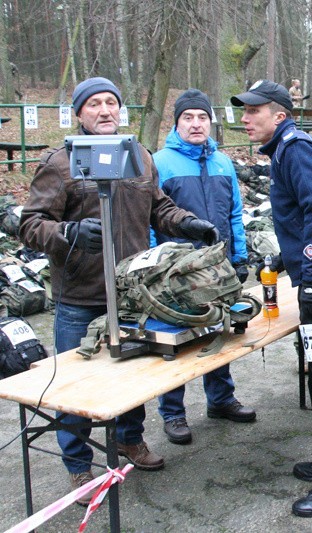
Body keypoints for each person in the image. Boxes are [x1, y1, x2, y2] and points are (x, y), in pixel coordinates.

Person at [19, 77, 218, 505]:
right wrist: (69, 233)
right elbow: (30, 223)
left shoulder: (140, 156)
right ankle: (78, 464)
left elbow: (158, 207)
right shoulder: (61, 163)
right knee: (76, 388)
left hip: (132, 293)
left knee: (131, 378)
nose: (105, 111)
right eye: (94, 104)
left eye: (112, 102)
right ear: (79, 114)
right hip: (80, 295)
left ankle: (130, 440)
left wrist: (187, 223)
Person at [232, 79, 312, 517]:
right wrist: (287, 258)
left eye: (254, 111)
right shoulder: (283, 151)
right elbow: (307, 214)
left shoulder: (296, 149)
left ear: (280, 115)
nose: (245, 118)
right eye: (244, 111)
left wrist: (308, 268)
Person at [151, 89, 256, 446]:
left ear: (211, 122)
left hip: (219, 266)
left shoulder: (223, 163)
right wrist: (156, 272)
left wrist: (239, 257)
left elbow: (234, 214)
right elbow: (152, 221)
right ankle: (173, 412)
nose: (196, 124)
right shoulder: (160, 162)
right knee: (174, 341)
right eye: (188, 118)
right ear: (176, 123)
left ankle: (221, 399)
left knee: (218, 331)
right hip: (176, 272)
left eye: (202, 117)